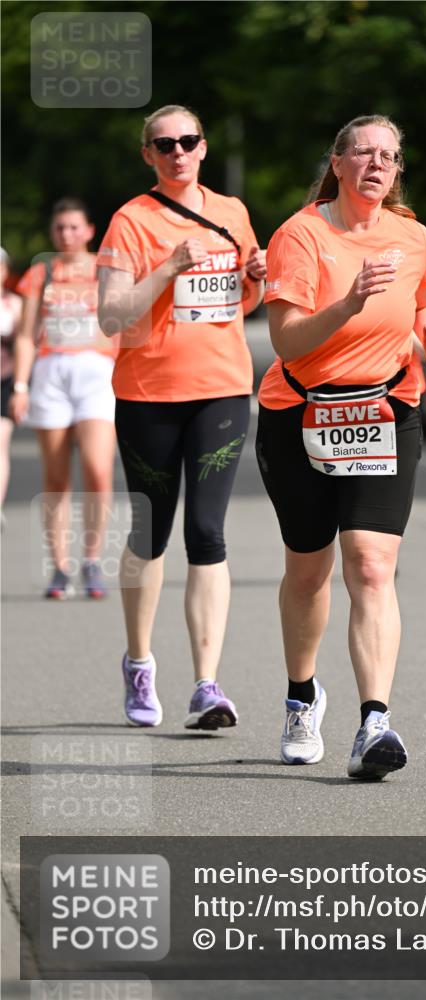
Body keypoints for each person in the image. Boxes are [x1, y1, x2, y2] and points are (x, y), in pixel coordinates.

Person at [255, 114, 426, 780]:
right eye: (363, 153)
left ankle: (374, 723)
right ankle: (301, 696)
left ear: (397, 170)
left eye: (388, 155)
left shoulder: (412, 234)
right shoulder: (301, 235)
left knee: (370, 565)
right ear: (336, 163)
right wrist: (348, 303)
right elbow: (286, 343)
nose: (376, 163)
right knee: (308, 570)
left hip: (386, 409)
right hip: (301, 414)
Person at [96, 104, 266, 730]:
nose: (177, 152)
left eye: (187, 141)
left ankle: (207, 684)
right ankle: (140, 662)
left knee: (207, 531)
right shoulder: (129, 221)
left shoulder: (232, 212)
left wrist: (256, 277)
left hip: (221, 388)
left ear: (203, 148)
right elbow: (112, 316)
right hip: (147, 393)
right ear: (148, 155)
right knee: (150, 534)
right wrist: (169, 266)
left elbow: (242, 301)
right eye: (163, 144)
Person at [9, 200, 117, 597]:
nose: (66, 235)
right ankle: (60, 567)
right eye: (60, 229)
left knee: (98, 471)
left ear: (89, 231)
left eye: (74, 228)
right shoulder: (43, 272)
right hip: (52, 373)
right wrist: (20, 386)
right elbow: (24, 335)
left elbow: (124, 323)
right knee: (56, 478)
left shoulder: (105, 270)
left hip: (96, 372)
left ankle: (92, 560)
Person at [0, 248, 23, 520]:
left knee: (1, 443)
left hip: (5, 379)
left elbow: (25, 344)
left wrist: (21, 386)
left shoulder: (14, 304)